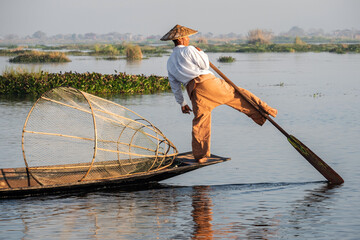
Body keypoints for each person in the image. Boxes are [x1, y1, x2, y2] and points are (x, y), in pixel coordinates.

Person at [161, 24, 277, 163]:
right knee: (239, 94)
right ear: (182, 38)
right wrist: (201, 52)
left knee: (200, 123)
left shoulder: (169, 62)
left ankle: (201, 156)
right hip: (208, 83)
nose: (189, 40)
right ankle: (265, 111)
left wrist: (182, 103)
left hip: (195, 92)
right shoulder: (189, 50)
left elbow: (175, 85)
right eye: (187, 38)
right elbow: (205, 65)